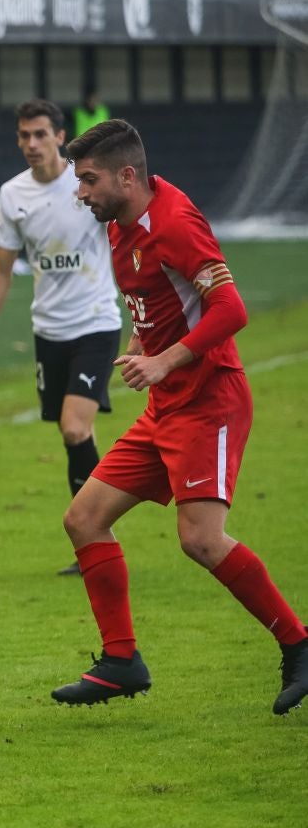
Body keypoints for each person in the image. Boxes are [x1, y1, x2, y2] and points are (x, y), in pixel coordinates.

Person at [52, 118, 308, 715]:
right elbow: (165, 303)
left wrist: (165, 359)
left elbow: (231, 308)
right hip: (167, 406)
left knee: (201, 540)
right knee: (84, 519)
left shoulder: (174, 223)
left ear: (127, 175)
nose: (80, 193)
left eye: (88, 180)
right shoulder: (119, 226)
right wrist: (147, 348)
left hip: (209, 401)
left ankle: (298, 645)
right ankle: (121, 663)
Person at [0, 99, 123, 575]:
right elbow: (1, 270)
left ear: (61, 136)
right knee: (76, 436)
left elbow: (126, 236)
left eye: (40, 134)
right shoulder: (13, 195)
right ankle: (97, 538)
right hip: (49, 330)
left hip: (97, 322)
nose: (31, 144)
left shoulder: (88, 183)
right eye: (23, 136)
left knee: (74, 427)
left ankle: (94, 534)